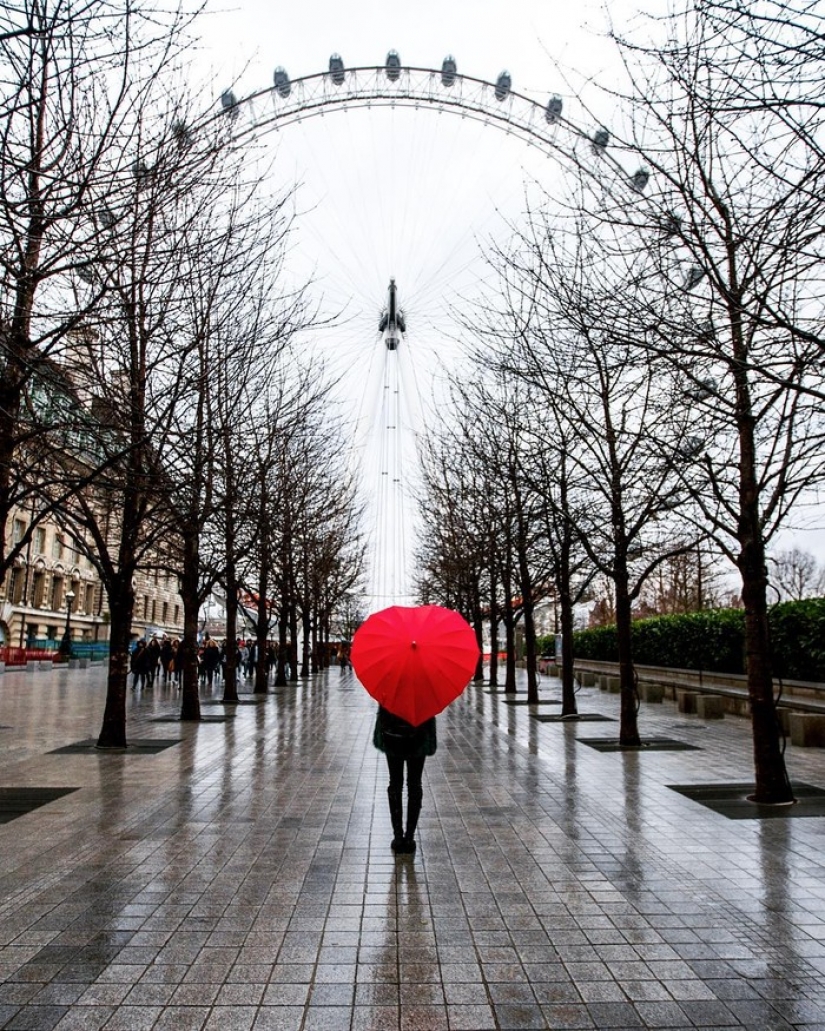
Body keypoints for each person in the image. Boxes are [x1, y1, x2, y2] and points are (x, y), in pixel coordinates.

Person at [373, 706, 437, 854]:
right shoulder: (425, 691)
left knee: (395, 783)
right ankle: (409, 837)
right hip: (419, 736)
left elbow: (383, 708)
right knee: (414, 784)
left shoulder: (390, 690)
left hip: (392, 735)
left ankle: (398, 836)